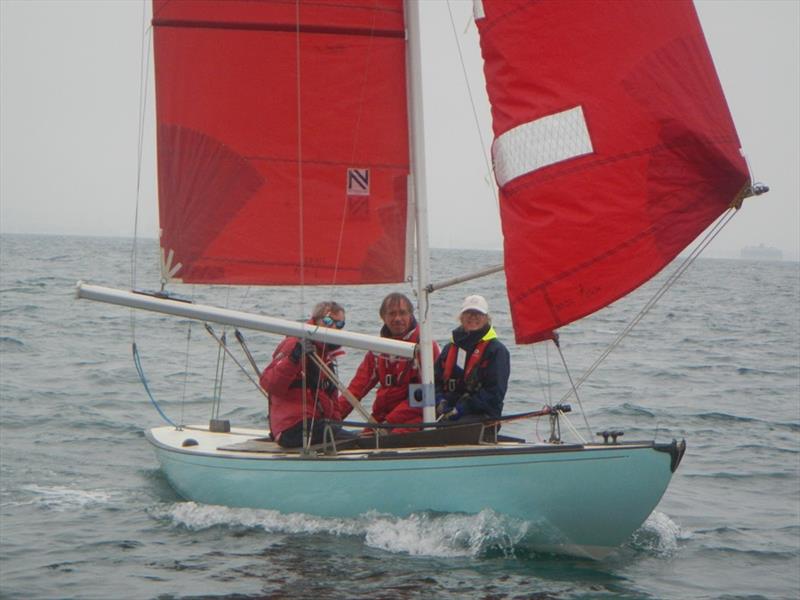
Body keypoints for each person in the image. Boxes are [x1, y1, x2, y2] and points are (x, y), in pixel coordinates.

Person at [339, 293, 440, 432]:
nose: (397, 318)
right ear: (383, 317)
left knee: (387, 438)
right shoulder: (378, 350)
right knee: (362, 438)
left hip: (414, 418)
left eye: (402, 313)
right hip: (382, 418)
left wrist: (390, 422)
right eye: (392, 314)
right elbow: (356, 389)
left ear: (411, 315)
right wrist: (334, 417)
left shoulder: (425, 347)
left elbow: (427, 395)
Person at [260, 301, 351, 448]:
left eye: (339, 324)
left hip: (315, 424)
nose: (334, 327)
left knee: (353, 437)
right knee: (353, 440)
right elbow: (269, 384)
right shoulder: (294, 344)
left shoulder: (325, 355)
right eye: (328, 321)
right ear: (315, 320)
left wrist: (336, 424)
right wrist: (294, 358)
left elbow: (331, 398)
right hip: (292, 427)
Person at [434, 294, 510, 423]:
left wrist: (463, 408)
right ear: (461, 317)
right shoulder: (449, 349)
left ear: (486, 318)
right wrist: (439, 400)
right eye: (468, 312)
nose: (473, 317)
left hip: (483, 416)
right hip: (447, 411)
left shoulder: (496, 351)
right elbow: (434, 381)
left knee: (456, 427)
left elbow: (494, 394)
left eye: (478, 313)